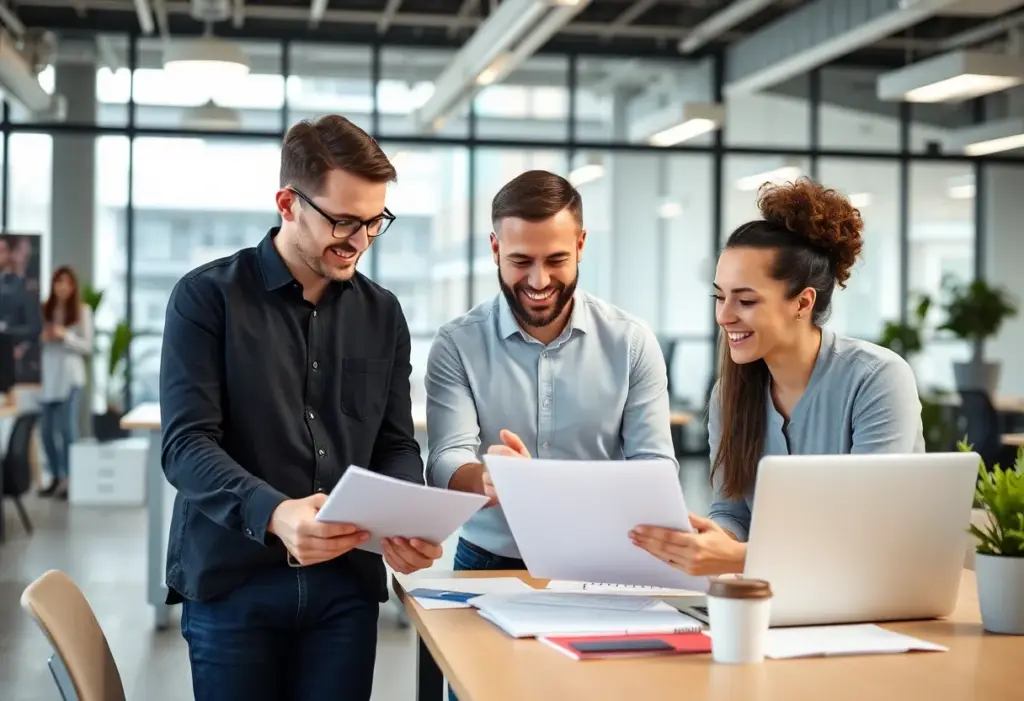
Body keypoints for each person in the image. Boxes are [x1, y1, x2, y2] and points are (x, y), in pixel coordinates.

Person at [159, 115, 442, 701]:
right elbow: (186, 446)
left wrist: (405, 514)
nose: (359, 240)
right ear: (288, 203)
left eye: (374, 223)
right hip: (233, 585)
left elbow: (393, 442)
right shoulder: (205, 297)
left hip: (345, 591)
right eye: (343, 220)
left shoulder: (382, 313)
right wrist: (274, 513)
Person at [631, 178, 924, 577]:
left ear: (803, 302)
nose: (724, 316)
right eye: (720, 296)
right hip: (780, 598)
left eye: (746, 300)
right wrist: (711, 540)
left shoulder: (877, 379)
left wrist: (740, 558)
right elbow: (732, 511)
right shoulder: (729, 395)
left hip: (874, 593)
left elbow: (864, 532)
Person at [425, 169, 678, 574]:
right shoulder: (457, 344)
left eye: (556, 259)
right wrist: (485, 479)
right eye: (520, 261)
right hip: (489, 558)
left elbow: (656, 467)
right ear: (495, 249)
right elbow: (443, 460)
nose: (538, 280)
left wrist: (562, 489)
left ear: (580, 245)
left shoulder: (630, 341)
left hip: (604, 555)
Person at [38, 266, 92, 500]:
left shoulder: (82, 311)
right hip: (47, 379)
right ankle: (56, 476)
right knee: (46, 432)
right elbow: (34, 344)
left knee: (67, 430)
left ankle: (71, 480)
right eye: (58, 282)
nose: (62, 287)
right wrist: (43, 338)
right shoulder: (43, 310)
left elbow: (88, 346)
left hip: (70, 378)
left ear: (73, 286)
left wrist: (65, 336)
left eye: (66, 282)